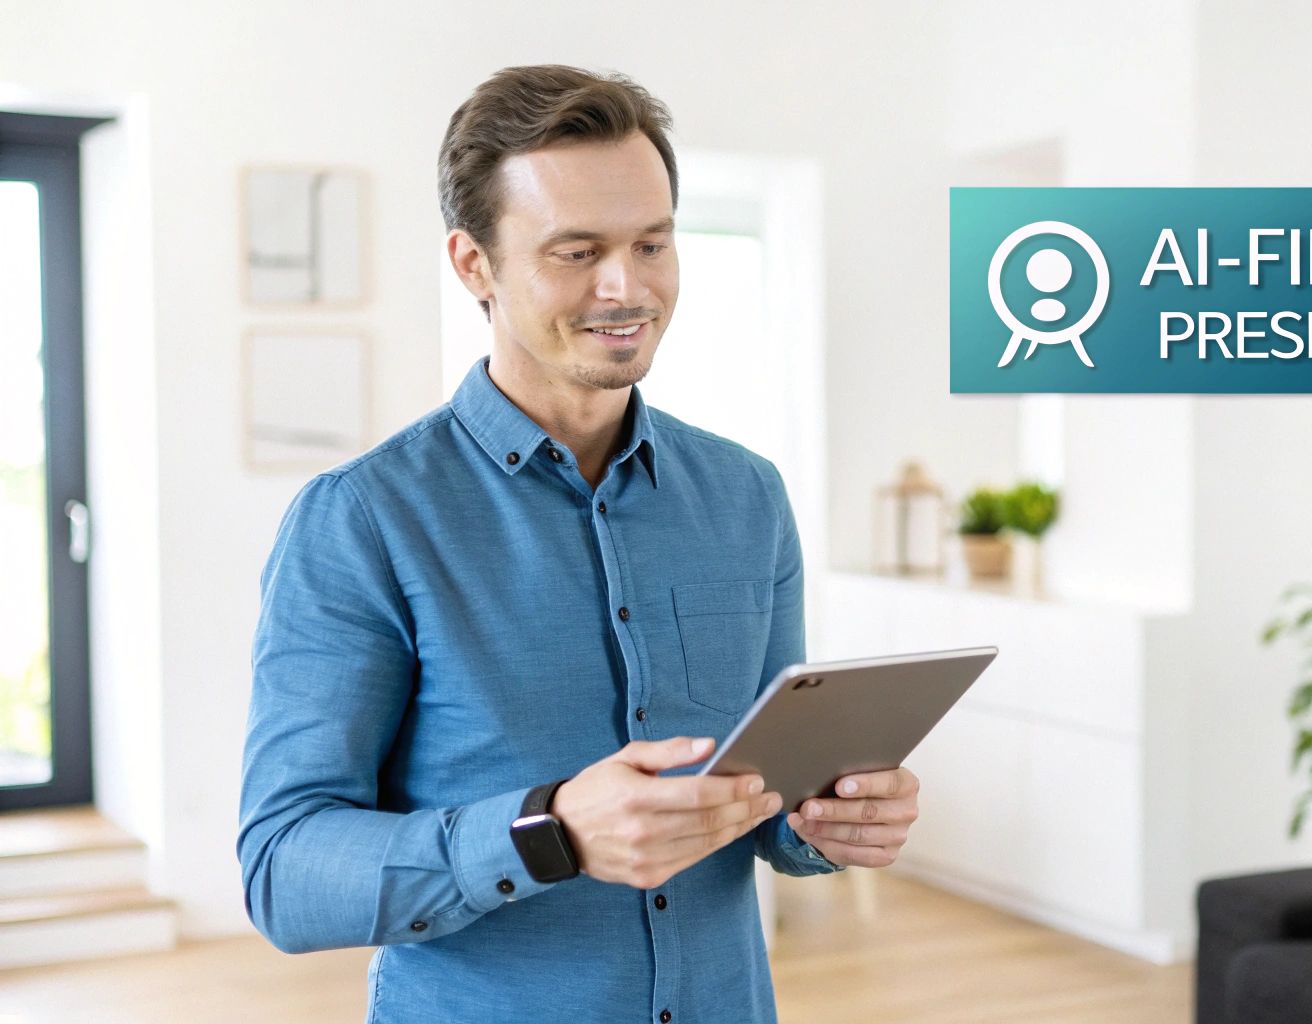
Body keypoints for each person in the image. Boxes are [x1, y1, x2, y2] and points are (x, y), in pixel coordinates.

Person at [236, 64, 921, 1024]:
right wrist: (545, 832)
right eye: (576, 251)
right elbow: (283, 871)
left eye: (652, 243)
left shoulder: (747, 497)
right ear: (473, 264)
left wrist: (828, 823)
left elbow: (767, 794)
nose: (626, 287)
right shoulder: (362, 520)